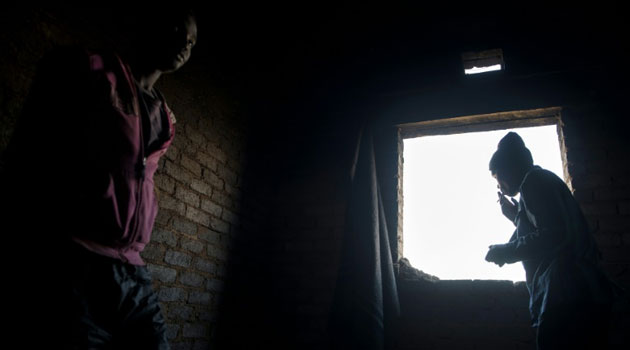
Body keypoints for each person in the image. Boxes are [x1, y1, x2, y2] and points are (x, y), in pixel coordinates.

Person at [0, 8, 197, 349]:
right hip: (74, 260)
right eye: (178, 29)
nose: (184, 43)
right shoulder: (88, 68)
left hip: (131, 269)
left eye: (192, 41)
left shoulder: (165, 117)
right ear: (150, 25)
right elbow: (26, 154)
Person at [484, 132, 615, 349]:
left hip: (566, 296)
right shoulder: (544, 180)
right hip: (583, 294)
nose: (499, 186)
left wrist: (504, 252)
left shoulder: (532, 182)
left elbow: (553, 235)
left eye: (496, 176)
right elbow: (551, 230)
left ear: (508, 168)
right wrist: (518, 217)